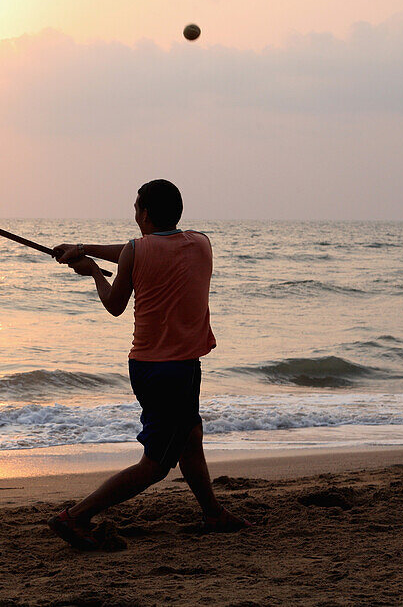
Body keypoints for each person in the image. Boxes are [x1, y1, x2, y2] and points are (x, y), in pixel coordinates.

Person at [47, 179, 251, 550]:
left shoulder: (135, 252)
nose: (135, 215)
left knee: (188, 439)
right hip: (177, 369)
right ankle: (74, 517)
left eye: (136, 209)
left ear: (144, 214)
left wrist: (92, 271)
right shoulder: (202, 243)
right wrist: (84, 251)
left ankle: (212, 513)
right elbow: (134, 251)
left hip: (152, 368)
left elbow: (114, 303)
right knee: (157, 463)